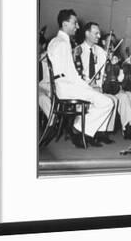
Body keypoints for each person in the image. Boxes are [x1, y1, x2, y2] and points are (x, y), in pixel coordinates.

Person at [46, 9, 114, 148]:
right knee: (107, 102)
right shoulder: (63, 43)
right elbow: (71, 75)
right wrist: (89, 88)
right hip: (66, 88)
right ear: (65, 24)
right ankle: (78, 129)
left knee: (101, 100)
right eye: (74, 23)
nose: (77, 27)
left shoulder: (55, 41)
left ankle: (82, 131)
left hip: (63, 86)